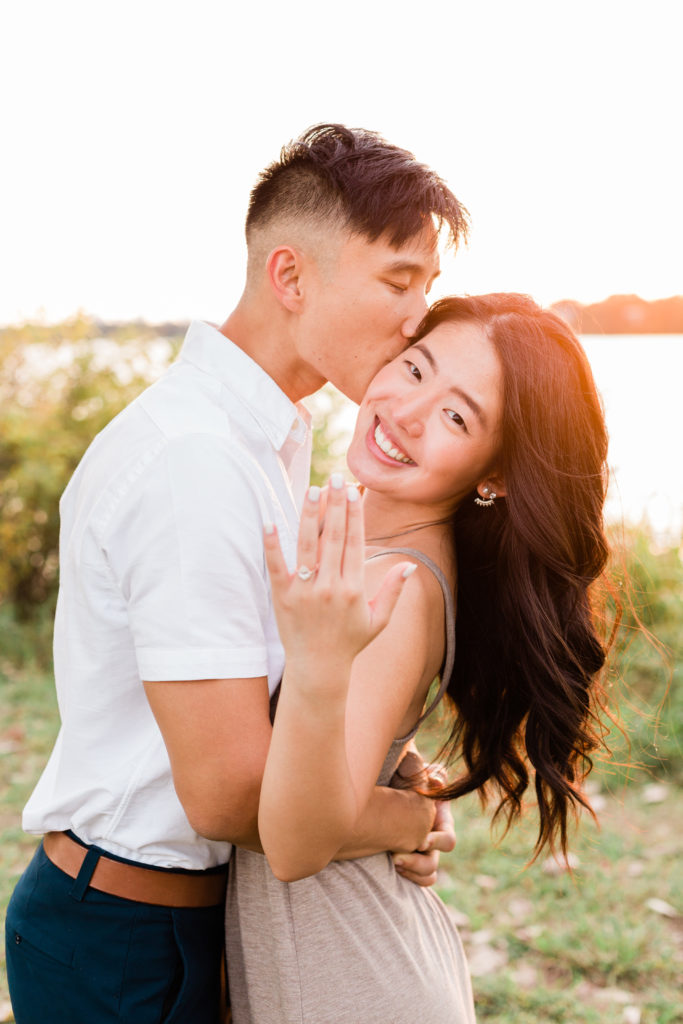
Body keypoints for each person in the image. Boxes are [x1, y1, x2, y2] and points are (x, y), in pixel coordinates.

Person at [4, 125, 469, 1023]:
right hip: (122, 939)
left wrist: (393, 763)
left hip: (177, 922)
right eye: (397, 282)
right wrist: (402, 821)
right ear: (290, 277)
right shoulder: (195, 461)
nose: (419, 319)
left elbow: (266, 683)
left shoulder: (267, 442)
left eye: (429, 289)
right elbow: (224, 794)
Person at [226, 293, 611, 1023]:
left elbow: (295, 844)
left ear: (493, 475)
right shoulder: (363, 539)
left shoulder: (397, 587)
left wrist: (316, 666)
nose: (406, 410)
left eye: (456, 416)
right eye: (413, 369)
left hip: (350, 983)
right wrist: (407, 808)